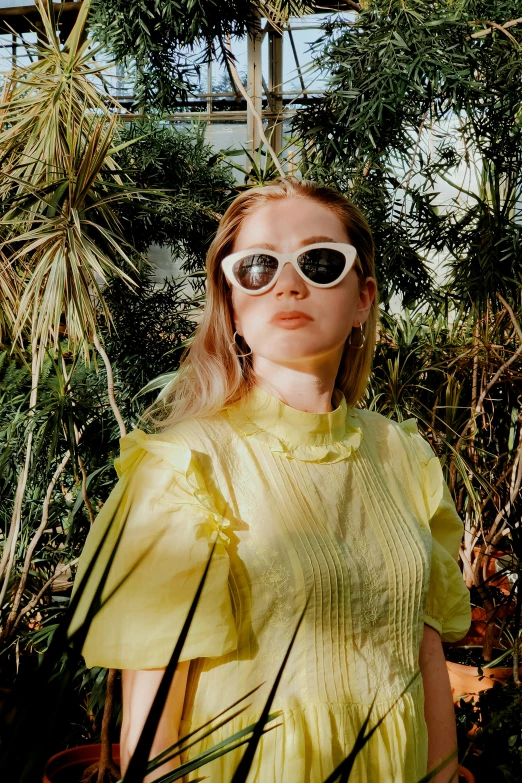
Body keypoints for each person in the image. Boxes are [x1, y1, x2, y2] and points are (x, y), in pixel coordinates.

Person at [69, 178, 471, 782]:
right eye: (257, 266)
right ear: (230, 303)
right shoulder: (184, 468)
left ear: (363, 298)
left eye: (319, 261)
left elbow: (426, 651)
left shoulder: (402, 456)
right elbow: (152, 731)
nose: (288, 283)